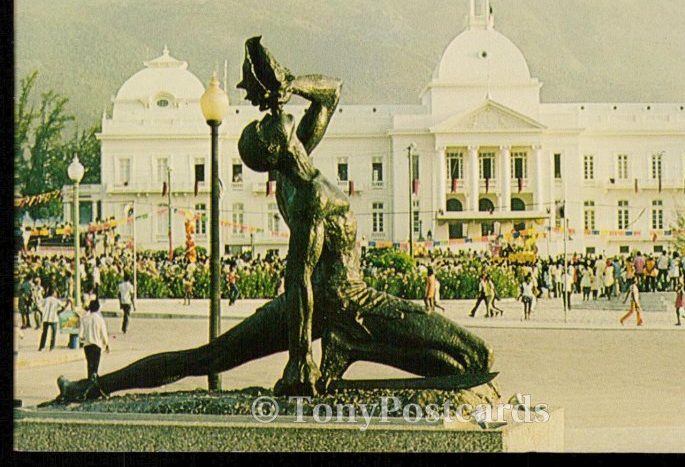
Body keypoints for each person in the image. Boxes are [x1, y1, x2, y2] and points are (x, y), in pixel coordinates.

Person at [56, 37, 494, 401]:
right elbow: (299, 277)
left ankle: (93, 386)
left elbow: (333, 91)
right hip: (345, 302)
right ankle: (95, 386)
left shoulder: (296, 157)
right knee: (475, 355)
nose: (270, 117)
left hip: (329, 302)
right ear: (278, 148)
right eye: (266, 128)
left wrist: (289, 80)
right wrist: (300, 356)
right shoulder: (308, 195)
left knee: (210, 356)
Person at [79, 299, 110, 380]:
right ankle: (93, 384)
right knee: (95, 368)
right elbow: (103, 334)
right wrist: (106, 344)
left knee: (89, 366)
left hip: (87, 346)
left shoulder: (85, 319)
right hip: (97, 346)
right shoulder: (100, 320)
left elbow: (81, 335)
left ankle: (89, 382)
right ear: (98, 308)